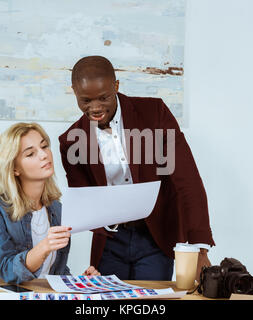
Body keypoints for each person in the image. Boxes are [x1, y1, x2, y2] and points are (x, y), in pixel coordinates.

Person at [59, 56, 215, 281]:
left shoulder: (155, 114)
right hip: (110, 240)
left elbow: (186, 181)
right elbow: (85, 200)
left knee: (151, 303)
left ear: (116, 86)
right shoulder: (71, 141)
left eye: (104, 98)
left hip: (155, 235)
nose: (95, 108)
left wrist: (199, 248)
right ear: (73, 91)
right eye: (85, 100)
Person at [0, 122, 99, 284]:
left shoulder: (56, 209)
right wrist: (44, 246)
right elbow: (7, 271)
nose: (44, 155)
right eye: (30, 154)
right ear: (14, 168)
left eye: (44, 146)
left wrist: (79, 282)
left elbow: (56, 270)